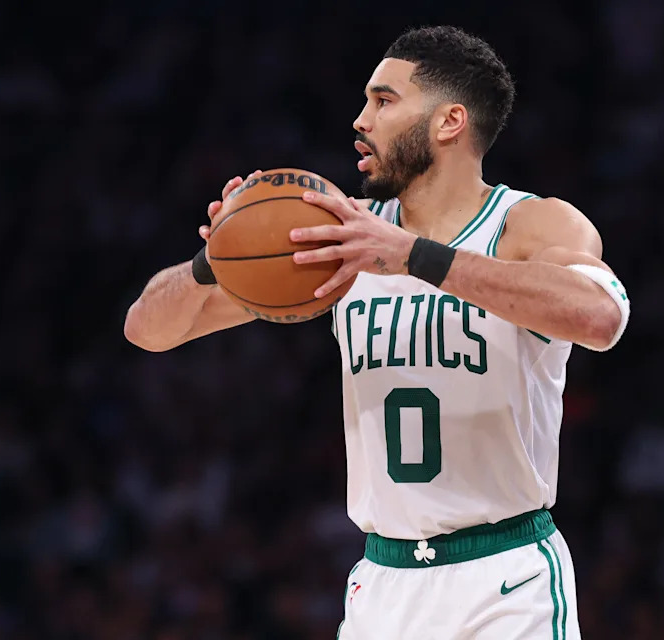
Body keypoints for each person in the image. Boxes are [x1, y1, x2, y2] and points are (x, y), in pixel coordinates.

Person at [124, 24, 630, 640]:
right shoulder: (344, 238)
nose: (361, 120)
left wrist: (415, 256)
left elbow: (599, 317)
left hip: (505, 580)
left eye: (384, 101)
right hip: (382, 584)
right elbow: (147, 329)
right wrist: (214, 262)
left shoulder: (529, 224)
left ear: (449, 121)